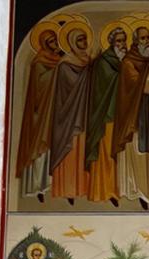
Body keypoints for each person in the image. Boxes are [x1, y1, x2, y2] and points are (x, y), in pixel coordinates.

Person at [111, 25, 149, 208]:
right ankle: (137, 190)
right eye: (143, 38)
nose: (147, 42)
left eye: (148, 38)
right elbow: (140, 85)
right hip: (135, 119)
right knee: (137, 155)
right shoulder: (129, 62)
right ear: (136, 42)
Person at [16, 24, 61, 201]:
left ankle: (45, 185)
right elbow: (39, 86)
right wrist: (57, 72)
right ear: (44, 44)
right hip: (39, 113)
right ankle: (34, 187)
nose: (55, 44)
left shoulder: (58, 59)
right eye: (51, 41)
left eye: (55, 40)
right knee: (38, 149)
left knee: (48, 149)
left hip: (51, 112)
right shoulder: (39, 62)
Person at [49, 23, 94, 202]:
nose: (84, 43)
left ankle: (82, 188)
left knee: (81, 151)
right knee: (70, 150)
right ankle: (67, 189)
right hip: (68, 118)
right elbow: (70, 89)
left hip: (84, 113)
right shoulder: (65, 64)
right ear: (72, 42)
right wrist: (88, 71)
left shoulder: (86, 60)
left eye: (85, 39)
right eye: (80, 40)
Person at [85, 26, 128, 205]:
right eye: (118, 41)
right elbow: (106, 87)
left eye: (124, 41)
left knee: (116, 154)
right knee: (106, 153)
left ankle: (115, 189)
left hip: (119, 114)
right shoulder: (104, 62)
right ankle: (103, 190)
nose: (122, 44)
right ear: (111, 43)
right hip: (105, 115)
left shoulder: (122, 60)